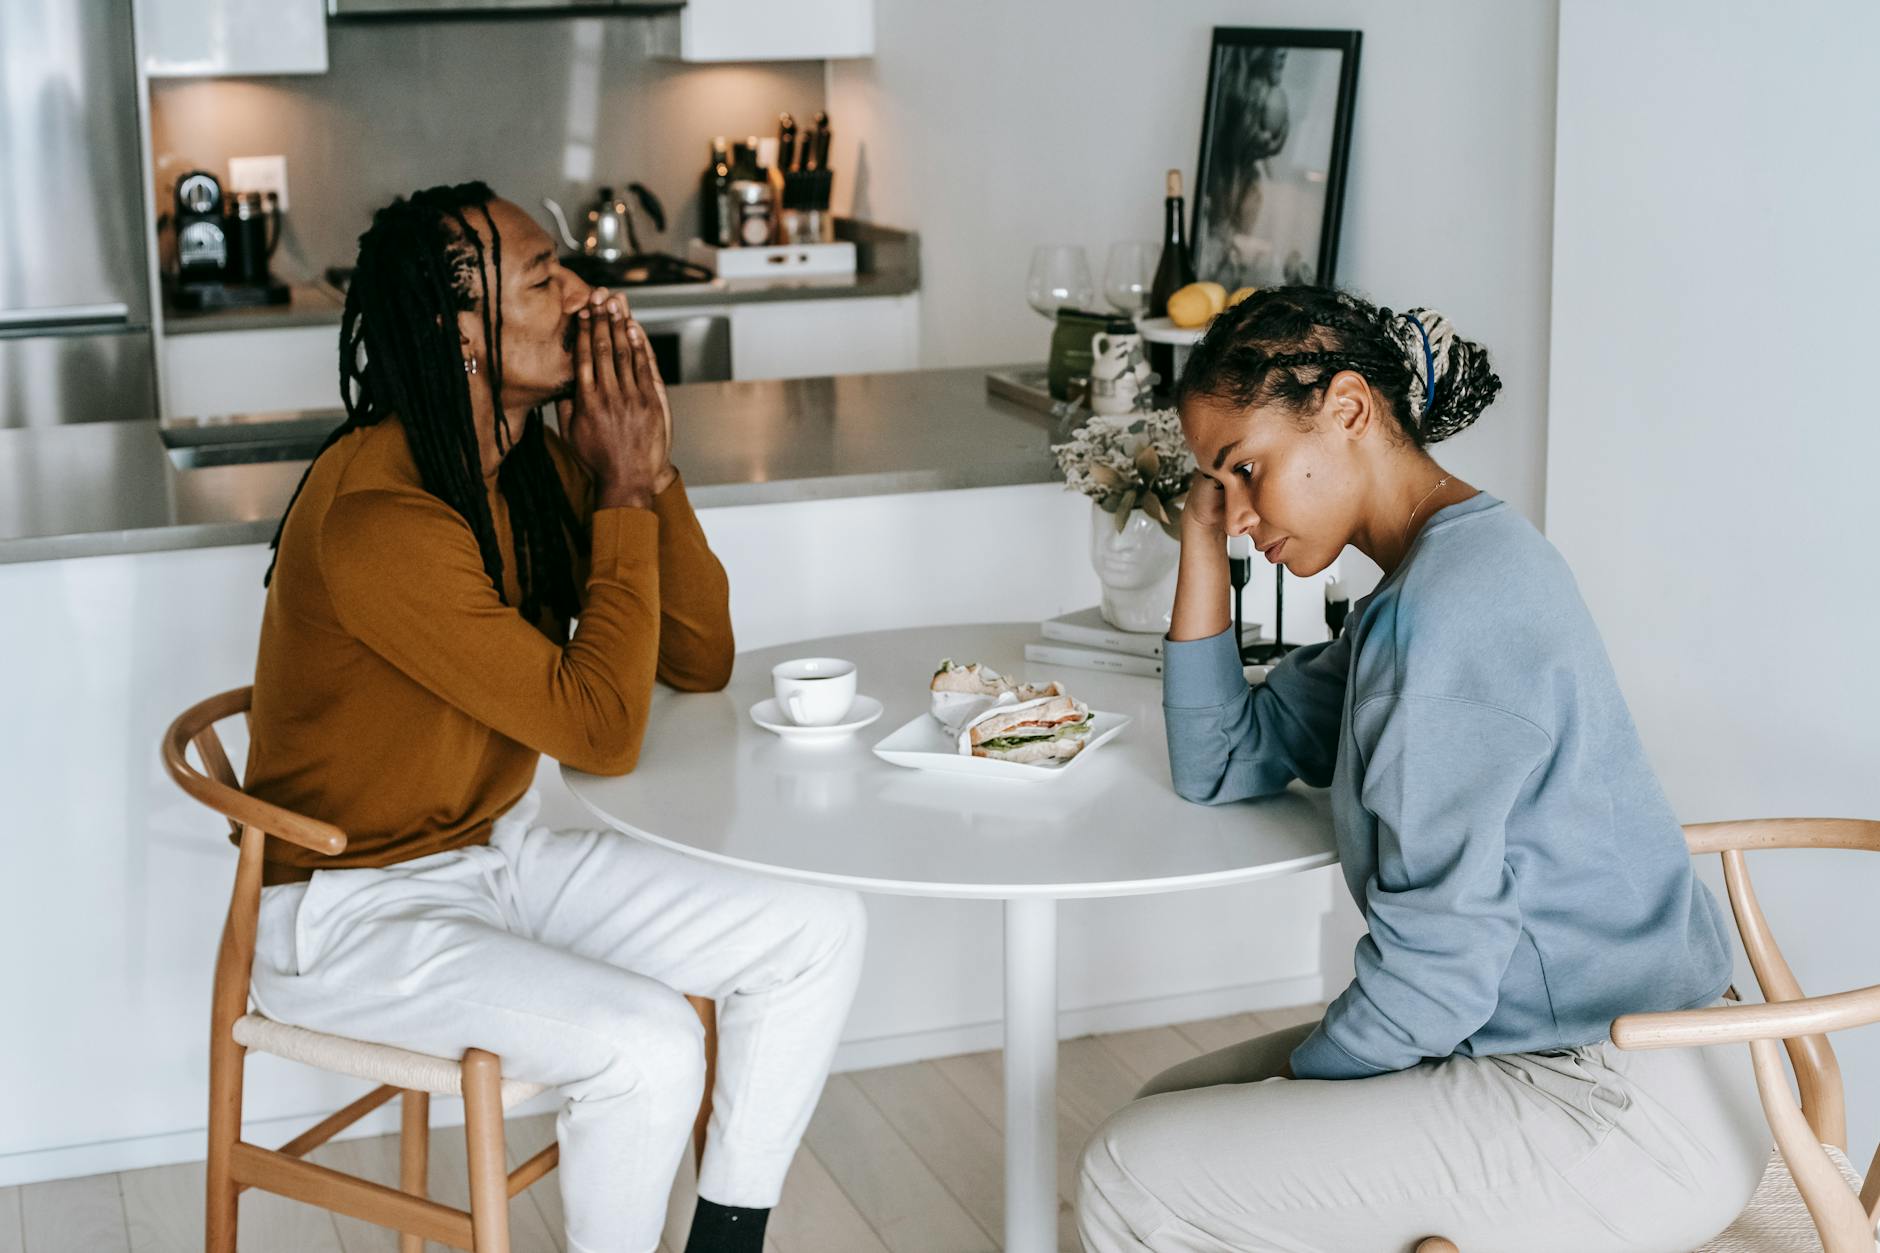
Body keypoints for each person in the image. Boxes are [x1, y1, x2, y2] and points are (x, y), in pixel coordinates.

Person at [1076, 287, 1770, 1252]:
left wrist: (1298, 1097)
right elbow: (1222, 758)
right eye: (1216, 483)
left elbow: (1438, 975)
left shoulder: (1447, 622)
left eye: (1245, 468)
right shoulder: (1439, 576)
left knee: (1133, 1171)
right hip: (1620, 1058)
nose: (1235, 513)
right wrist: (1197, 537)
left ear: (1350, 410)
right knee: (1170, 1105)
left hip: (1616, 1104)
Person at [242, 182, 865, 1253]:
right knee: (652, 1042)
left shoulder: (527, 464)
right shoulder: (380, 519)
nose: (586, 291)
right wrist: (619, 494)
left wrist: (648, 471)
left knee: (815, 927)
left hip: (495, 857)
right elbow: (602, 730)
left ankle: (726, 1240)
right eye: (544, 276)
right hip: (348, 912)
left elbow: (699, 657)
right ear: (461, 334)